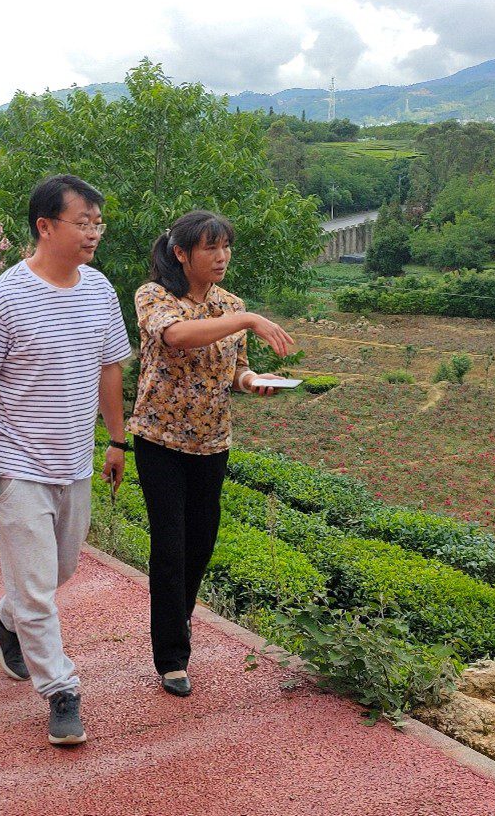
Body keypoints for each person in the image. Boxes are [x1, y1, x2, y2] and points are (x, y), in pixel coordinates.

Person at [0, 175, 130, 747]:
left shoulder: (101, 290)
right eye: (83, 222)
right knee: (37, 586)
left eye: (97, 223)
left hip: (74, 460)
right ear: (45, 226)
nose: (93, 233)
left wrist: (116, 439)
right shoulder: (4, 297)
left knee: (58, 571)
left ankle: (3, 620)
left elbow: (111, 368)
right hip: (17, 464)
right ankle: (61, 689)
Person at [127, 211, 295, 697]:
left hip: (212, 441)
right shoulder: (155, 296)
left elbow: (237, 368)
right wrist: (244, 319)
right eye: (210, 248)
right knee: (171, 542)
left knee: (201, 544)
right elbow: (176, 336)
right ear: (182, 253)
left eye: (225, 247)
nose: (221, 257)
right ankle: (173, 656)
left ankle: (173, 621)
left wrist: (252, 382)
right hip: (159, 439)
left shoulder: (229, 303)